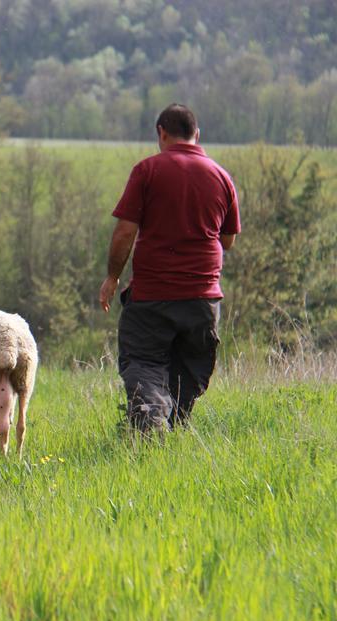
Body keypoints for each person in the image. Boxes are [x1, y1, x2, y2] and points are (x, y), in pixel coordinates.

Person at [99, 104, 240, 432]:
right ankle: (171, 430)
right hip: (203, 301)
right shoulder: (221, 176)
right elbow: (228, 240)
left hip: (153, 296)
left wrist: (112, 276)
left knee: (143, 363)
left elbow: (125, 232)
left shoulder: (147, 170)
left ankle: (149, 427)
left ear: (161, 132)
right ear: (197, 135)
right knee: (189, 370)